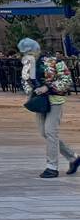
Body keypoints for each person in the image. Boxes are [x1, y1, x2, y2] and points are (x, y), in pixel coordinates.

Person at [21, 37, 78, 178]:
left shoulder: (55, 62)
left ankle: (52, 167)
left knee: (50, 132)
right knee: (45, 133)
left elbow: (66, 79)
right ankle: (73, 158)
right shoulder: (28, 64)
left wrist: (48, 87)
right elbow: (25, 81)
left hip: (54, 100)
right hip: (39, 102)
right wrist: (31, 90)